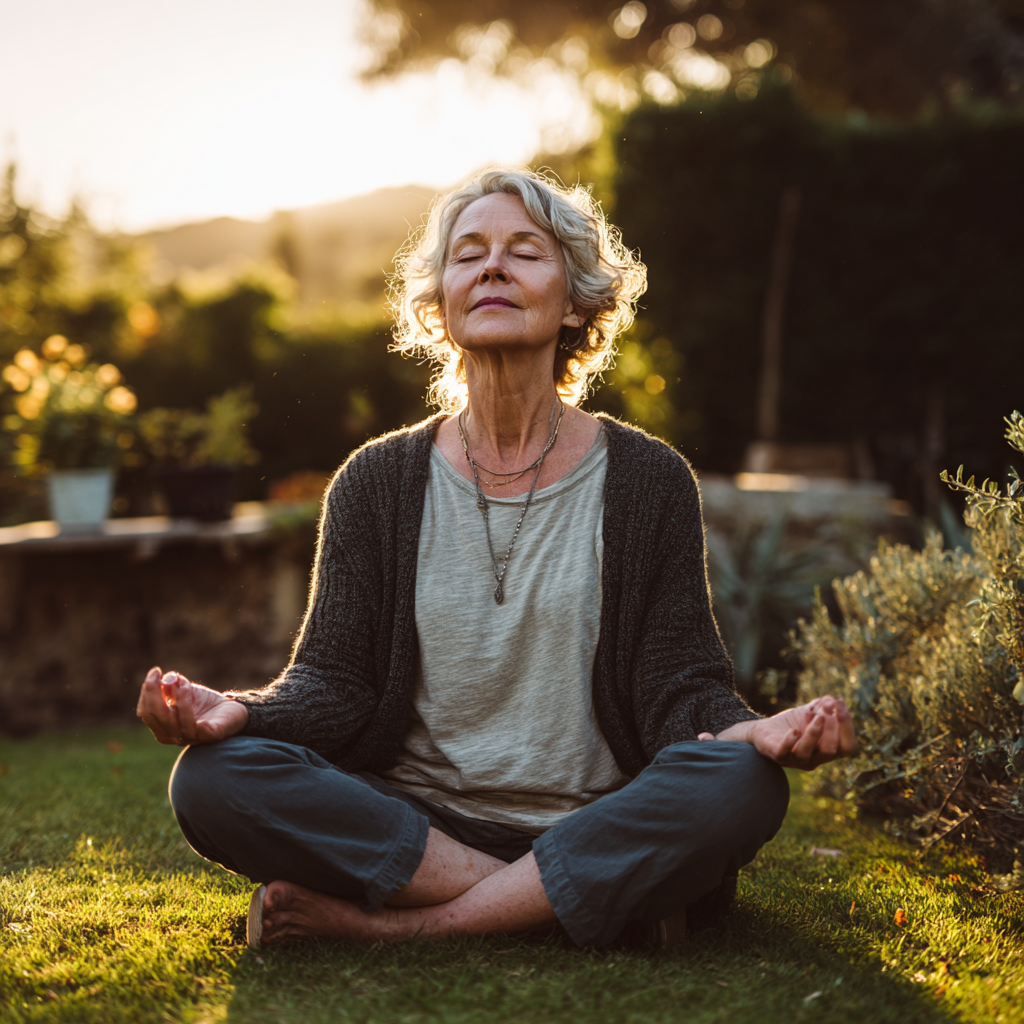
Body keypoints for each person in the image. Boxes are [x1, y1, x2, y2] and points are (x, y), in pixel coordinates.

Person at [136, 169, 857, 951]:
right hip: (416, 821)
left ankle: (409, 930)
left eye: (525, 251)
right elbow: (335, 683)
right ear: (441, 303)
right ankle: (573, 898)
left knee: (741, 785)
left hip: (594, 814)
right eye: (468, 253)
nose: (491, 267)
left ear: (578, 301)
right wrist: (246, 712)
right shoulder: (375, 482)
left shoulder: (650, 481)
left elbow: (679, 687)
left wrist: (756, 734)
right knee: (212, 779)